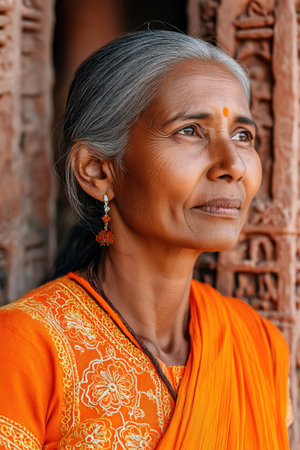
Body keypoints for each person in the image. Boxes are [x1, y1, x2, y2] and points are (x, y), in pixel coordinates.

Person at [0, 30, 293, 449]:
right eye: (190, 130)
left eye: (243, 136)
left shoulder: (257, 345)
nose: (233, 165)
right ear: (98, 171)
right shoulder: (25, 346)